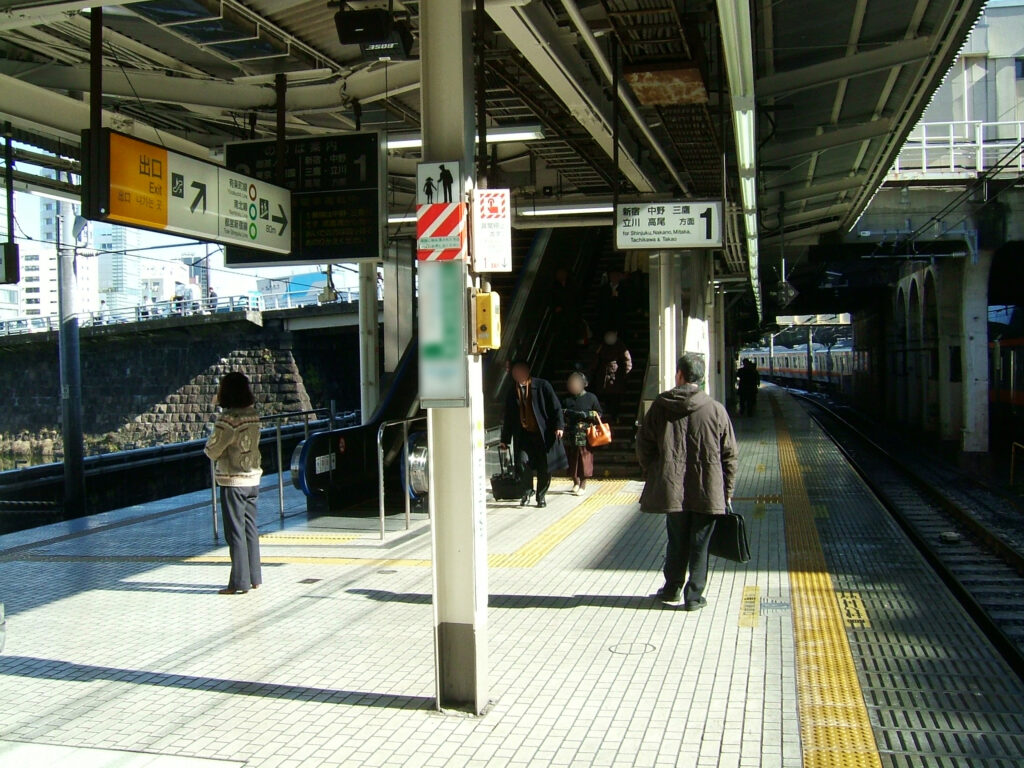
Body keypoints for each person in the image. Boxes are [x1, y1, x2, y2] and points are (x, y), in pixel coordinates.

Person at [637, 354, 738, 611]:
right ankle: (694, 597)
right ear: (701, 379)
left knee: (676, 539)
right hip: (708, 488)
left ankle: (671, 588)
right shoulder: (716, 409)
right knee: (699, 544)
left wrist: (655, 471)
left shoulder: (661, 406)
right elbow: (729, 455)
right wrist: (726, 492)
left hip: (672, 488)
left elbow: (643, 443)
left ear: (679, 375)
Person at [204, 372, 263, 595]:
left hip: (233, 480)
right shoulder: (253, 415)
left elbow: (212, 450)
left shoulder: (228, 419)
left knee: (234, 531)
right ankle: (255, 577)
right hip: (253, 478)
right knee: (250, 528)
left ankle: (238, 582)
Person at [500, 360, 567, 507]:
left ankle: (541, 496)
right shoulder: (512, 391)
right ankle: (526, 492)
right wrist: (505, 439)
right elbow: (509, 417)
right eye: (514, 372)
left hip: (542, 434)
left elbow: (556, 407)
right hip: (524, 435)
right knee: (521, 463)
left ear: (527, 371)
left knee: (544, 466)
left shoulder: (542, 386)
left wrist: (559, 426)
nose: (517, 374)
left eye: (520, 371)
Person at [562, 372, 603, 495]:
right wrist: (567, 413)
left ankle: (583, 484)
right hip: (570, 433)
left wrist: (587, 415)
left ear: (584, 384)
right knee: (571, 459)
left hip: (585, 433)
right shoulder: (566, 398)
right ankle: (575, 481)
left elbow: (599, 413)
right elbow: (559, 411)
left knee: (584, 458)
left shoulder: (591, 397)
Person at [592, 330, 632, 422]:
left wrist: (626, 372)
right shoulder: (602, 346)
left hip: (615, 376)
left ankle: (615, 415)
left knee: (615, 397)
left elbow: (627, 359)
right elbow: (596, 358)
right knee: (606, 397)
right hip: (603, 375)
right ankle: (608, 414)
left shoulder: (620, 345)